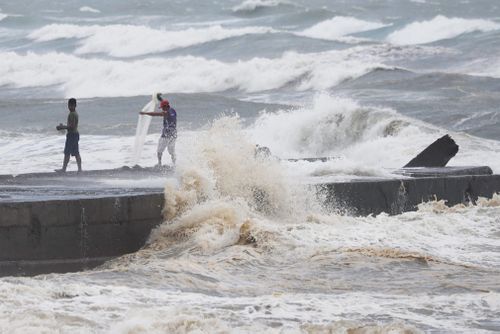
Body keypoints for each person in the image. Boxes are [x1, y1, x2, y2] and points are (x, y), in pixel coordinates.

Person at [140, 98, 177, 166]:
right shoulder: (173, 110)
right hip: (173, 134)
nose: (162, 109)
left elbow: (155, 114)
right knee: (171, 151)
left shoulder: (166, 112)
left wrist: (145, 113)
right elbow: (165, 103)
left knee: (159, 151)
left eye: (162, 107)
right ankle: (175, 164)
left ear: (165, 106)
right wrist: (159, 98)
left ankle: (159, 163)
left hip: (165, 135)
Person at [56, 98, 82, 173]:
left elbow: (72, 126)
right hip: (75, 134)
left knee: (67, 152)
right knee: (76, 152)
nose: (70, 107)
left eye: (71, 105)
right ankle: (80, 169)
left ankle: (63, 169)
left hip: (72, 135)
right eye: (69, 105)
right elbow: (71, 126)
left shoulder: (72, 114)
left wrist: (62, 127)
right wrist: (64, 126)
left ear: (75, 105)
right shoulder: (74, 114)